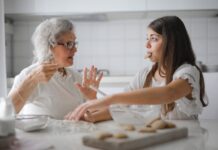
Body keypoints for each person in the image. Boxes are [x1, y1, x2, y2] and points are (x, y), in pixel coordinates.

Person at [65, 16, 208, 121]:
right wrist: (92, 113)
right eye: (147, 38)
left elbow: (169, 92)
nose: (147, 45)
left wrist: (112, 98)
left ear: (172, 43)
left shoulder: (188, 72)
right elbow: (122, 107)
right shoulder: (145, 74)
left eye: (154, 38)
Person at [8, 18, 108, 120]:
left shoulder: (76, 77)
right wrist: (32, 80)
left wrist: (91, 98)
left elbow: (96, 114)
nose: (75, 49)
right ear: (49, 46)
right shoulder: (30, 74)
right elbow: (7, 112)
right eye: (69, 44)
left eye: (74, 43)